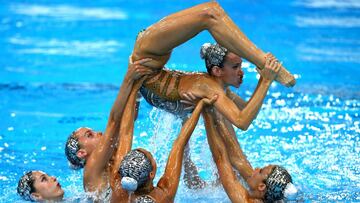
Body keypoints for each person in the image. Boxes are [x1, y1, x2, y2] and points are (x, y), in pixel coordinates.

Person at [108, 78, 217, 202]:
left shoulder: (117, 189)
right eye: (151, 157)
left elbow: (125, 134)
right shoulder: (164, 195)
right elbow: (179, 144)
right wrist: (200, 106)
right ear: (152, 173)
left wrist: (134, 91)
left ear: (120, 174)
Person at [64, 59, 154, 201]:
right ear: (82, 153)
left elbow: (127, 122)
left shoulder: (109, 158)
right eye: (90, 135)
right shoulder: (91, 168)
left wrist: (137, 95)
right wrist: (128, 79)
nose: (99, 133)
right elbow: (114, 121)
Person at [203, 108, 293, 203]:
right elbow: (238, 159)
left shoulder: (243, 201)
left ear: (261, 186)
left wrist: (206, 113)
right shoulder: (273, 194)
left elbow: (220, 158)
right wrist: (218, 117)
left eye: (260, 171)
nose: (257, 168)